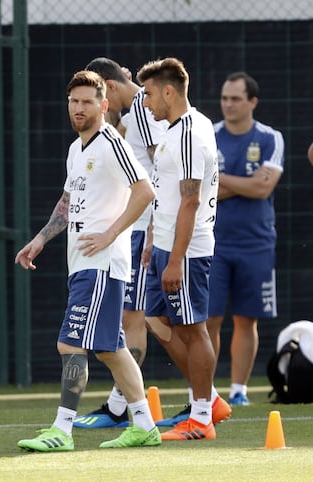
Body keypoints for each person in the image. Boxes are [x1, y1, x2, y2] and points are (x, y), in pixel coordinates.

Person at [15, 70, 161, 450]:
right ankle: (144, 425)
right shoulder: (76, 149)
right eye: (74, 102)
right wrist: (40, 238)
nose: (79, 108)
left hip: (102, 263)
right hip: (80, 261)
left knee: (70, 344)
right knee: (111, 349)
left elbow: (144, 192)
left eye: (87, 102)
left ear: (104, 104)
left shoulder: (112, 143)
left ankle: (62, 431)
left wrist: (111, 235)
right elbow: (67, 204)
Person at [73, 57, 168, 429]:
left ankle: (127, 409)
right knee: (134, 322)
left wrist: (156, 229)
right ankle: (130, 408)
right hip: (136, 230)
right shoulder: (132, 116)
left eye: (91, 98)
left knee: (134, 321)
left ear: (107, 91)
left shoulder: (142, 111)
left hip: (143, 230)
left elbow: (161, 171)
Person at [135, 57, 226, 441]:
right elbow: (167, 193)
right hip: (165, 246)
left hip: (185, 251)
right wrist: (154, 237)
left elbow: (190, 201)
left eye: (150, 94)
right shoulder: (175, 128)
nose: (146, 102)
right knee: (156, 321)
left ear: (169, 92)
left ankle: (202, 417)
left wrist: (174, 259)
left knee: (192, 329)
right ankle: (212, 399)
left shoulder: (190, 132)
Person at [207, 72, 285, 405]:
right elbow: (199, 188)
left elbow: (263, 188)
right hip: (212, 242)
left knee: (246, 318)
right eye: (225, 98)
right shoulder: (208, 135)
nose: (228, 104)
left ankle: (238, 391)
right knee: (207, 319)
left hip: (256, 242)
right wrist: (244, 183)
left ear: (252, 102)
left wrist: (220, 179)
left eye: (236, 98)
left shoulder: (270, 138)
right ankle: (204, 393)